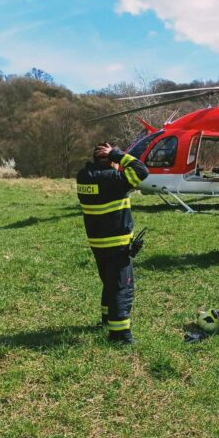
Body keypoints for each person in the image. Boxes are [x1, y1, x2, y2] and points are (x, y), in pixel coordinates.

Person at [77, 142, 149, 344]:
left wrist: (112, 157)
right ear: (111, 161)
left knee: (109, 283)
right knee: (121, 288)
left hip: (97, 242)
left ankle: (107, 319)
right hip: (117, 243)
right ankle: (120, 335)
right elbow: (142, 170)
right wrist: (117, 154)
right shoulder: (113, 179)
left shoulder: (83, 176)